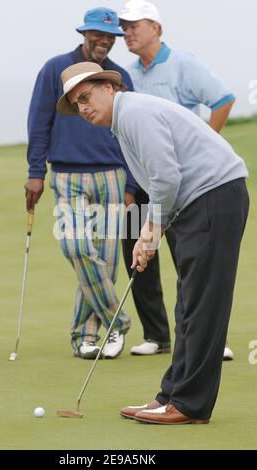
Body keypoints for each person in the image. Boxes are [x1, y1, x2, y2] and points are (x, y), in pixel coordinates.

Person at [56, 62, 249, 424]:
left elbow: (166, 175)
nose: (83, 108)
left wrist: (152, 230)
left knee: (203, 306)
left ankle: (189, 405)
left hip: (214, 196)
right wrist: (148, 231)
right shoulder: (124, 119)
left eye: (86, 97)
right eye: (76, 104)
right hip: (202, 200)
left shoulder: (134, 114)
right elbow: (161, 181)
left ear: (108, 88)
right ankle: (170, 396)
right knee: (189, 306)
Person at [118, 0, 236, 360]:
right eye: (124, 28)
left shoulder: (183, 64)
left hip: (182, 182)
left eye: (135, 26)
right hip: (140, 184)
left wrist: (207, 143)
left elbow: (224, 99)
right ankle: (157, 335)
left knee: (192, 258)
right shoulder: (125, 75)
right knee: (138, 254)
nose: (128, 33)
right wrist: (127, 187)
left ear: (156, 27)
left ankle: (207, 337)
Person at [25, 8, 137, 360]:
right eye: (97, 34)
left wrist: (132, 184)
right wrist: (35, 172)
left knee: (105, 259)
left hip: (113, 175)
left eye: (110, 36)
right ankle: (116, 320)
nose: (104, 41)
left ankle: (85, 337)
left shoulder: (119, 77)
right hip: (67, 173)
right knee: (75, 246)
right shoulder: (55, 68)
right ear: (84, 34)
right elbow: (39, 121)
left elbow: (133, 135)